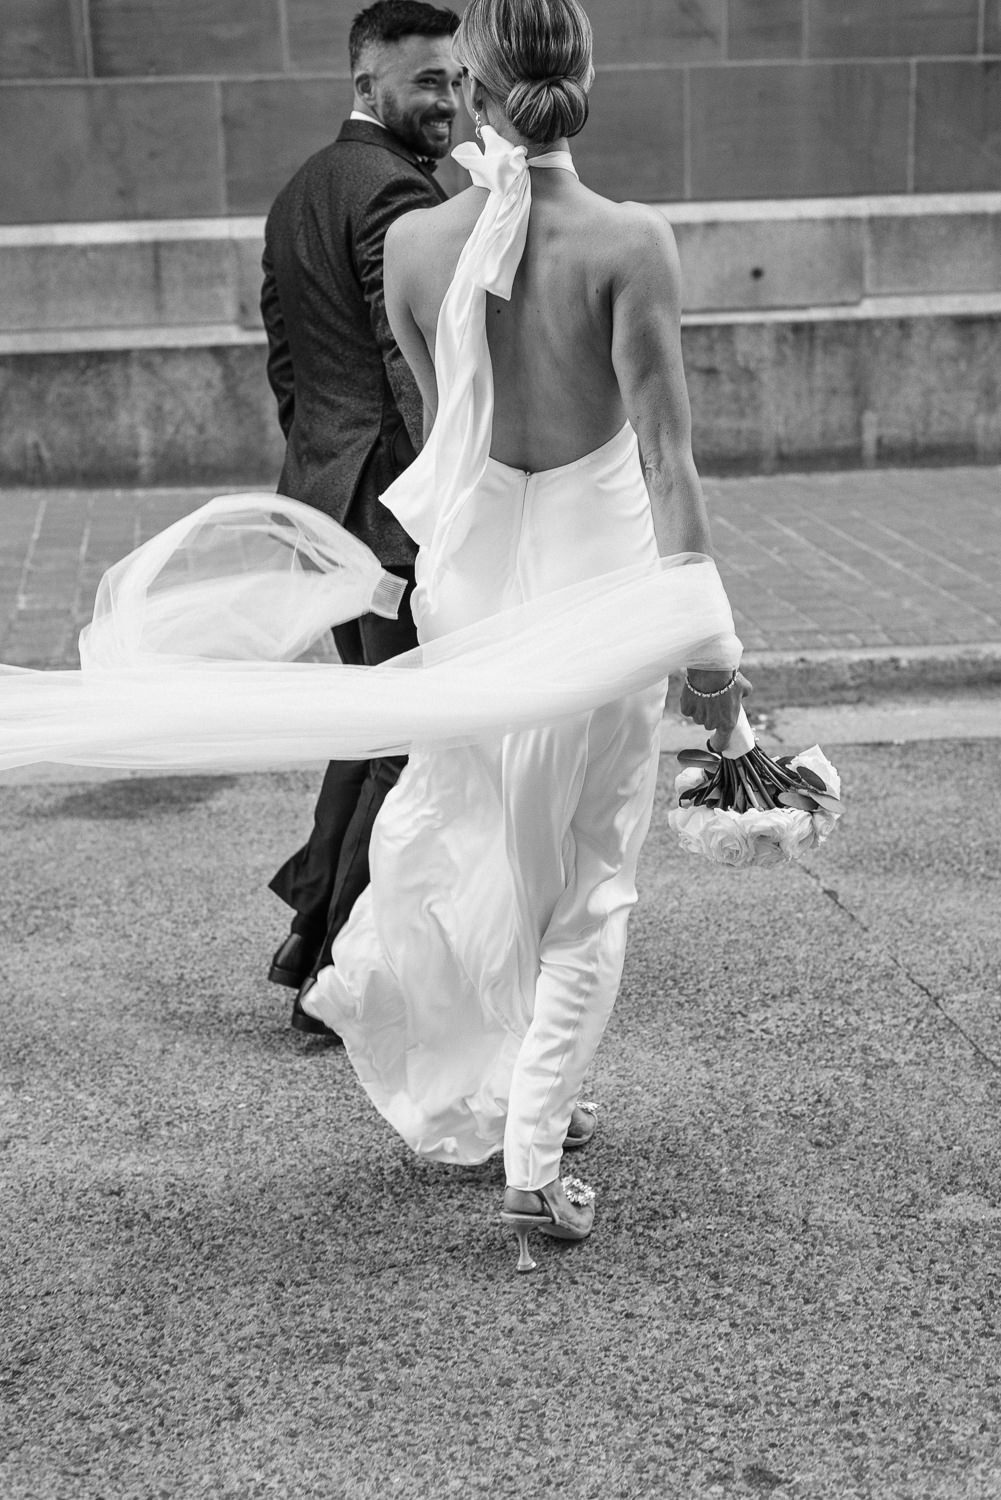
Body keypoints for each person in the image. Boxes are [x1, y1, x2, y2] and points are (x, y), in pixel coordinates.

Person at [298, 0, 750, 1269]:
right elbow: (665, 464)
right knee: (588, 884)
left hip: (477, 596)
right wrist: (716, 664)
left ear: (477, 88)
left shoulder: (419, 250)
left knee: (494, 854)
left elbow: (450, 432)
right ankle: (532, 1159)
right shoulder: (632, 243)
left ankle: (518, 1093)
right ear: (583, 77)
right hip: (599, 596)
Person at [261, 0, 462, 1035]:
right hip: (390, 505)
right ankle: (329, 968)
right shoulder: (392, 189)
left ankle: (307, 926)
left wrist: (320, 468)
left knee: (372, 720)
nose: (450, 97)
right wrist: (440, 499)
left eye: (458, 78)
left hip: (327, 502)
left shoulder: (301, 186)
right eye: (426, 79)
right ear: (367, 82)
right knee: (402, 741)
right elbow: (408, 362)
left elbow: (287, 367)